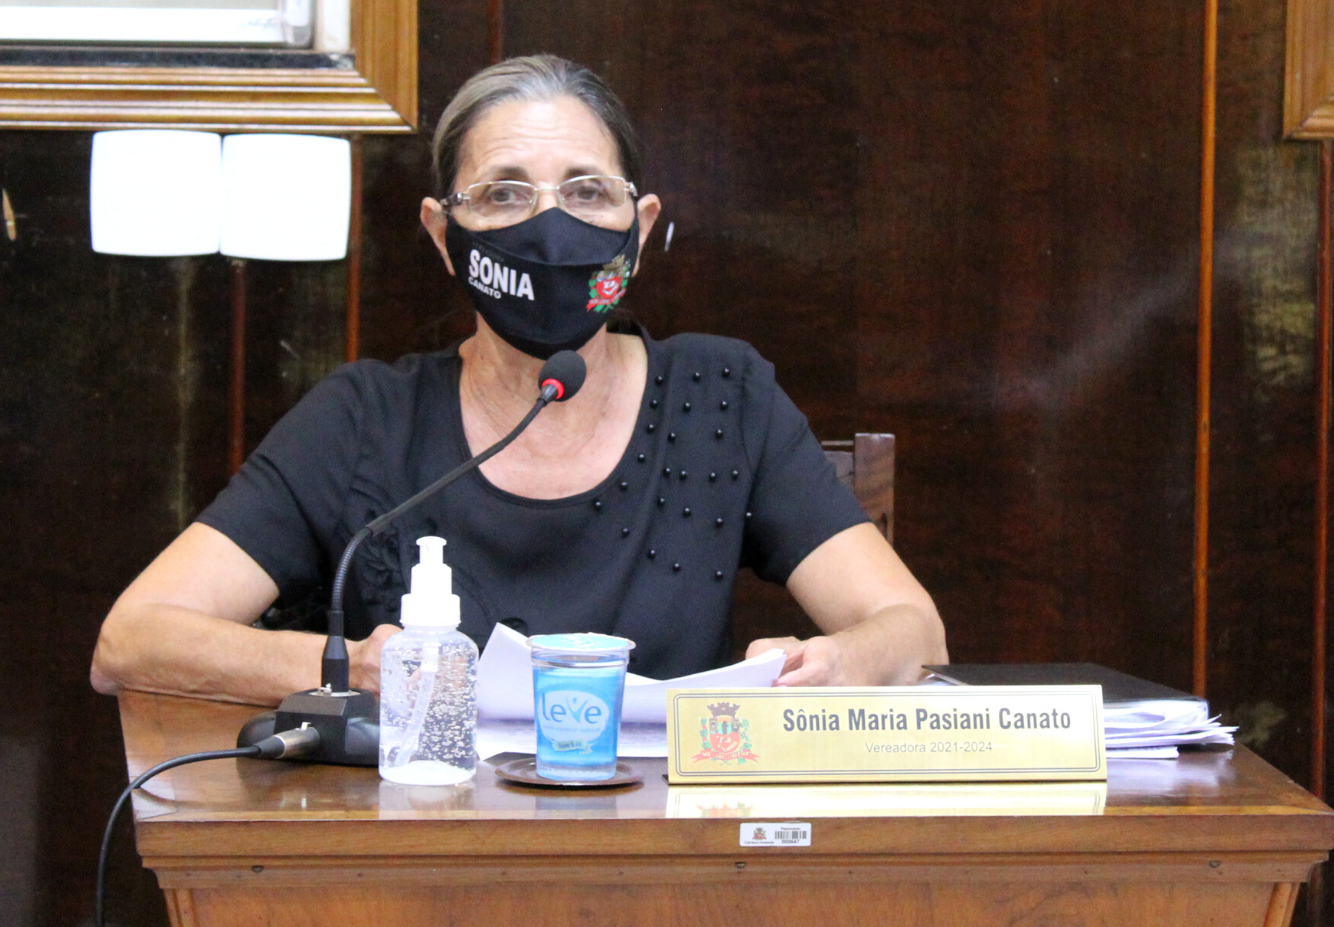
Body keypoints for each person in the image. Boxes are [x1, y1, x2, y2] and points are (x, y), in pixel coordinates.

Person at [90, 55, 947, 707]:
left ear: (639, 228)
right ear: (442, 234)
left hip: (670, 848)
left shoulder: (722, 395)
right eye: (503, 195)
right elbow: (130, 641)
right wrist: (348, 665)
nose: (549, 227)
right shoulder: (365, 419)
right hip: (424, 847)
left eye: (587, 192)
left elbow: (914, 630)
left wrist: (834, 663)